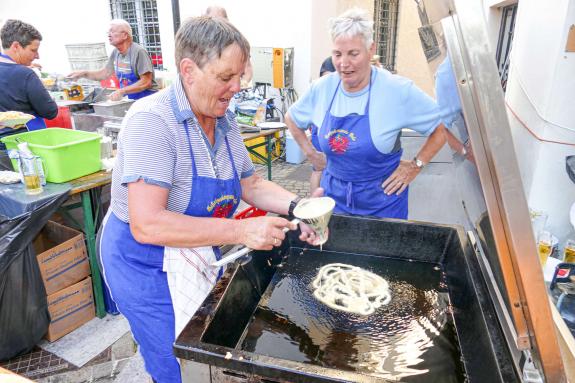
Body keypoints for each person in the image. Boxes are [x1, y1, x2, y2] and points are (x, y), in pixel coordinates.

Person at [99, 16, 321, 383]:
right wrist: (242, 230)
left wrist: (300, 207)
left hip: (195, 248)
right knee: (179, 362)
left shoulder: (224, 120)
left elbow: (249, 184)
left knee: (210, 348)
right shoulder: (152, 122)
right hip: (145, 263)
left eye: (239, 77)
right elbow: (148, 223)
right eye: (225, 77)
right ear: (189, 70)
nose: (236, 87)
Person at [286, 8, 446, 219]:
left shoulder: (396, 90)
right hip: (333, 199)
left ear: (371, 50)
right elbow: (291, 117)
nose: (343, 63)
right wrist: (311, 153)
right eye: (337, 54)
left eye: (353, 53)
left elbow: (443, 125)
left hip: (383, 201)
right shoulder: (321, 88)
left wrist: (416, 165)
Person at [68, 19, 157, 100]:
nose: (109, 35)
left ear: (125, 35)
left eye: (112, 31)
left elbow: (146, 82)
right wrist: (83, 74)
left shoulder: (138, 52)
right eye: (108, 32)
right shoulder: (116, 52)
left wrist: (122, 91)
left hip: (146, 100)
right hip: (130, 101)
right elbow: (105, 73)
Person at [0, 20, 57, 132]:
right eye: (33, 50)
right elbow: (50, 111)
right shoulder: (26, 74)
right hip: (25, 142)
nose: (37, 56)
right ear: (16, 46)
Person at [204, 5, 253, 86]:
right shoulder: (199, 43)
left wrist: (242, 84)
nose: (215, 25)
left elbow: (247, 70)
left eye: (219, 21)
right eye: (212, 20)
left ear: (227, 21)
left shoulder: (239, 43)